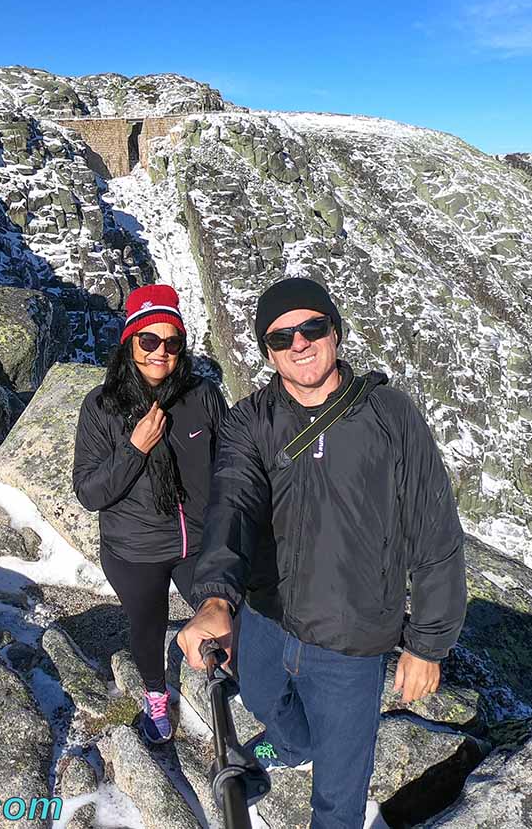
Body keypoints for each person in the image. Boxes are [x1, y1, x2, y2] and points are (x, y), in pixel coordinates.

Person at [176, 277, 467, 828]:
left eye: (312, 327)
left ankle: (297, 756)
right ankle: (285, 750)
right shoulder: (250, 421)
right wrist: (216, 598)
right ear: (267, 352)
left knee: (336, 802)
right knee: (266, 708)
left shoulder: (390, 416)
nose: (300, 343)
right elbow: (232, 504)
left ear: (335, 331)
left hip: (350, 645)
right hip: (267, 620)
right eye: (282, 337)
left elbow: (435, 532)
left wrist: (427, 645)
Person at [73, 284, 228, 744]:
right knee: (149, 626)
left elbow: (230, 460)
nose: (161, 352)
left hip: (197, 542)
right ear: (130, 343)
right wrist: (134, 448)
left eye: (172, 342)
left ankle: (226, 681)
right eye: (149, 341)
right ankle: (156, 695)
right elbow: (89, 491)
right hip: (134, 550)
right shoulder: (102, 407)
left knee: (223, 613)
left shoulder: (201, 396)